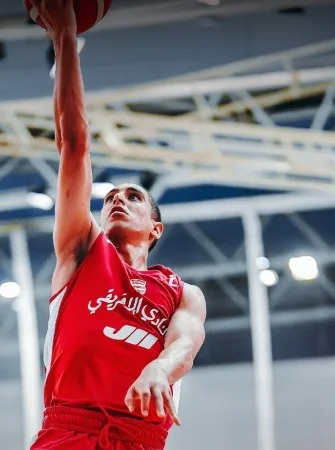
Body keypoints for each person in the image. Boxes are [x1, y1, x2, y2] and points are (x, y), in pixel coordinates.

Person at [28, 1, 208, 449]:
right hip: (69, 430)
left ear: (155, 229)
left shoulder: (181, 292)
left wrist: (159, 368)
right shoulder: (82, 250)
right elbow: (74, 143)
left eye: (133, 196)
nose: (117, 201)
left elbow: (186, 344)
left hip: (138, 438)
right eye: (110, 197)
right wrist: (65, 37)